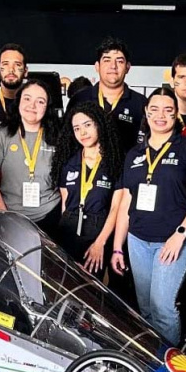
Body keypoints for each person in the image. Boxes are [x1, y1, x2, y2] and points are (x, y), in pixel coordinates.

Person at [110, 88, 186, 345]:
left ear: (176, 114)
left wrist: (181, 235)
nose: (160, 115)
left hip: (173, 241)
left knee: (163, 308)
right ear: (146, 112)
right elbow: (126, 203)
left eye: (168, 109)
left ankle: (170, 371)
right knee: (145, 310)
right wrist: (118, 248)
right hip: (138, 241)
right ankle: (151, 365)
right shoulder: (134, 154)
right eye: (154, 109)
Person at [52, 102, 124, 279]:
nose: (82, 133)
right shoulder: (68, 162)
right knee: (64, 283)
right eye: (76, 128)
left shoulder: (115, 162)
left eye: (87, 125)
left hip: (98, 232)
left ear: (99, 123)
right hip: (68, 230)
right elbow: (65, 203)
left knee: (91, 288)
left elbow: (116, 209)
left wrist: (100, 243)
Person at [0, 79, 61, 235]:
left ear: (47, 107)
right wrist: (5, 219)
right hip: (9, 216)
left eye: (40, 101)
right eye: (27, 98)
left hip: (50, 215)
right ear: (18, 102)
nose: (32, 105)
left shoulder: (58, 137)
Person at [67, 38, 148, 155]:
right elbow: (66, 140)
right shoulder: (79, 99)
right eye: (107, 60)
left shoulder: (140, 103)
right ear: (97, 66)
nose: (113, 66)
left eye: (119, 61)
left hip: (125, 171)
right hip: (85, 171)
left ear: (128, 67)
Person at [0, 43, 27, 123]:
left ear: (25, 71)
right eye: (5, 64)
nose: (11, 69)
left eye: (17, 65)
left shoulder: (33, 103)